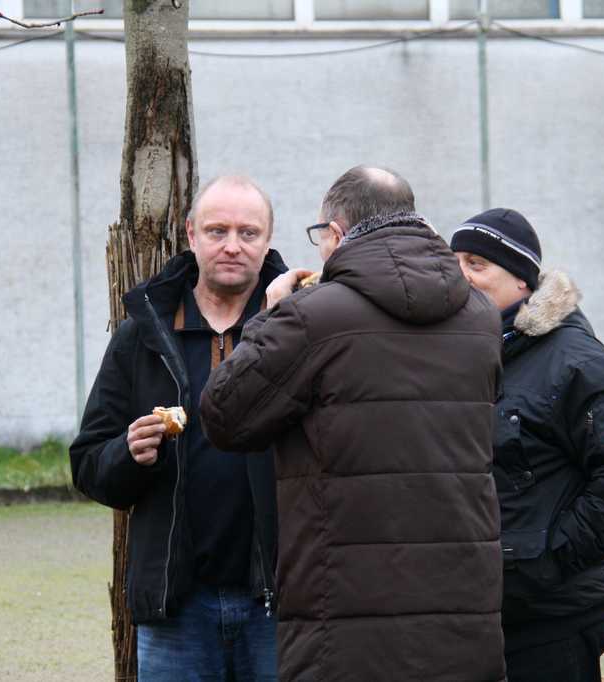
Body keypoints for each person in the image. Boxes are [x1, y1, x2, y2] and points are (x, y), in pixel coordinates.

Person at [199, 166, 507, 681]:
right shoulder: (480, 316)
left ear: (337, 233)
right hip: (461, 609)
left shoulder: (312, 317)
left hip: (342, 614)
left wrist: (271, 315)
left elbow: (224, 414)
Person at [70, 176, 286, 681]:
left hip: (278, 602)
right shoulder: (142, 337)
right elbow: (87, 464)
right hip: (177, 607)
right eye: (217, 231)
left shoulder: (296, 327)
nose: (232, 245)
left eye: (248, 233)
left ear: (268, 240)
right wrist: (129, 454)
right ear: (191, 234)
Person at [450, 208, 604, 682]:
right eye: (455, 262)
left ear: (522, 281)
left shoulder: (575, 361)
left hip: (553, 623)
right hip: (483, 615)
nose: (461, 274)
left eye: (477, 263)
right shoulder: (470, 354)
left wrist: (549, 557)